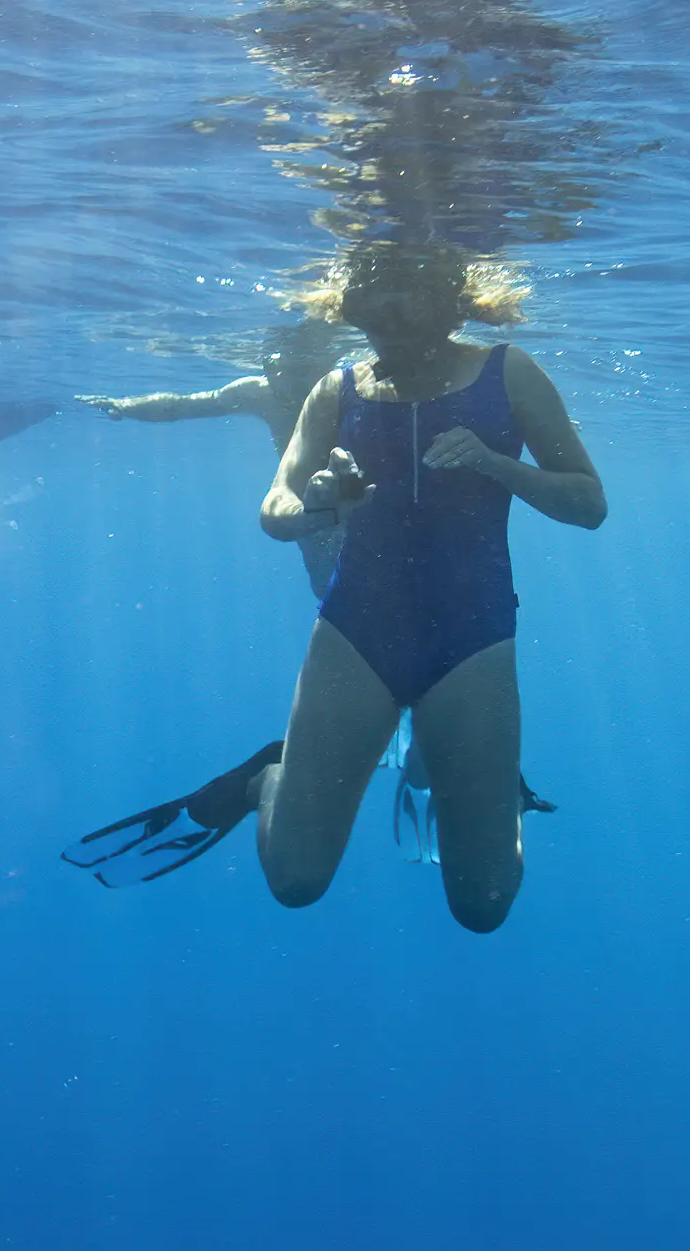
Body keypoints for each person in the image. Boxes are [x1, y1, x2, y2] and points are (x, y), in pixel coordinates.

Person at [67, 238, 602, 933]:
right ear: (352, 308)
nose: (390, 321)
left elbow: (588, 503)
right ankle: (269, 778)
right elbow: (274, 510)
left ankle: (487, 795)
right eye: (373, 306)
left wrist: (499, 466)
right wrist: (319, 500)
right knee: (294, 880)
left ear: (449, 302)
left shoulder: (510, 373)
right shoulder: (335, 389)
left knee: (483, 904)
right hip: (357, 630)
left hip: (473, 637)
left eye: (407, 303)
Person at [77, 318, 349, 593]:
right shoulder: (261, 393)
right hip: (302, 502)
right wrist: (127, 407)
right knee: (329, 589)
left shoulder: (352, 390)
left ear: (328, 365)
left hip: (362, 497)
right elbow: (184, 406)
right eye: (274, 368)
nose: (281, 380)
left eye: (299, 370)